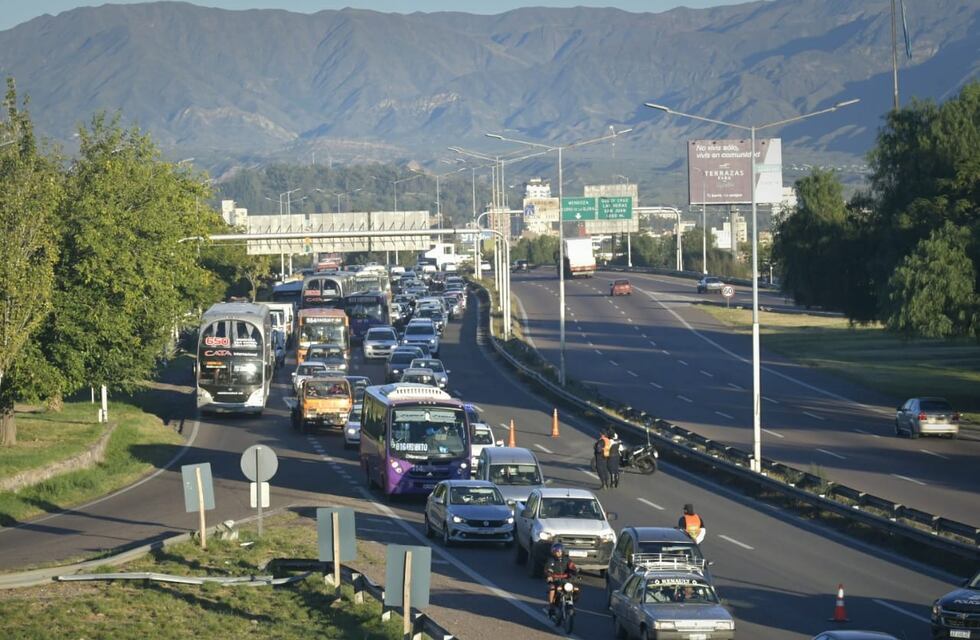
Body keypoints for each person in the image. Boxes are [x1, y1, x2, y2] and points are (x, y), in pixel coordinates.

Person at [545, 543, 578, 617]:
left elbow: (573, 568)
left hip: (566, 580)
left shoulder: (567, 560)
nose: (558, 553)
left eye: (559, 551)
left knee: (575, 588)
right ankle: (551, 606)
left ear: (562, 551)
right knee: (552, 588)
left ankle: (571, 604)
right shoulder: (551, 560)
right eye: (556, 551)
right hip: (555, 580)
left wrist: (574, 573)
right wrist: (549, 576)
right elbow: (547, 569)